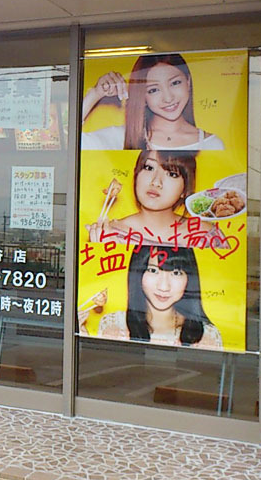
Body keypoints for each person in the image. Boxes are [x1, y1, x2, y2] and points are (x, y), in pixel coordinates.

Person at [81, 52, 225, 150]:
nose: (168, 98)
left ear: (188, 81)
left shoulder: (211, 144)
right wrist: (96, 93)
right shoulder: (121, 138)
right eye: (153, 90)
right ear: (143, 96)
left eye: (175, 83)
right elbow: (73, 144)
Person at [89, 247, 222, 348]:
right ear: (138, 273)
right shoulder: (114, 325)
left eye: (176, 273)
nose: (164, 287)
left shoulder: (207, 336)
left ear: (190, 278)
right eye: (153, 270)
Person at [85, 149, 221, 247]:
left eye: (172, 174)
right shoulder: (109, 234)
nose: (156, 182)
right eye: (149, 168)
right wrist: (99, 250)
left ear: (185, 190)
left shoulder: (207, 236)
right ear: (136, 176)